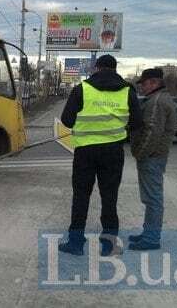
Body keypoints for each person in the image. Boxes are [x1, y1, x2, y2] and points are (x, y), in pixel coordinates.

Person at [58, 55, 143, 256]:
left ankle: (76, 243)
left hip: (85, 152)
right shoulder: (128, 90)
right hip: (113, 152)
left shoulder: (82, 89)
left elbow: (67, 121)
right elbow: (137, 123)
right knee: (109, 198)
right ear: (115, 69)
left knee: (81, 197)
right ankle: (110, 245)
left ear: (97, 68)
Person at [128, 68, 176, 250]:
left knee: (153, 198)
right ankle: (149, 233)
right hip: (155, 156)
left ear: (154, 83)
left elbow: (151, 132)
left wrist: (139, 153)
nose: (142, 87)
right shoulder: (159, 99)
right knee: (151, 198)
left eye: (144, 83)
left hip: (152, 157)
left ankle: (151, 238)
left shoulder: (156, 102)